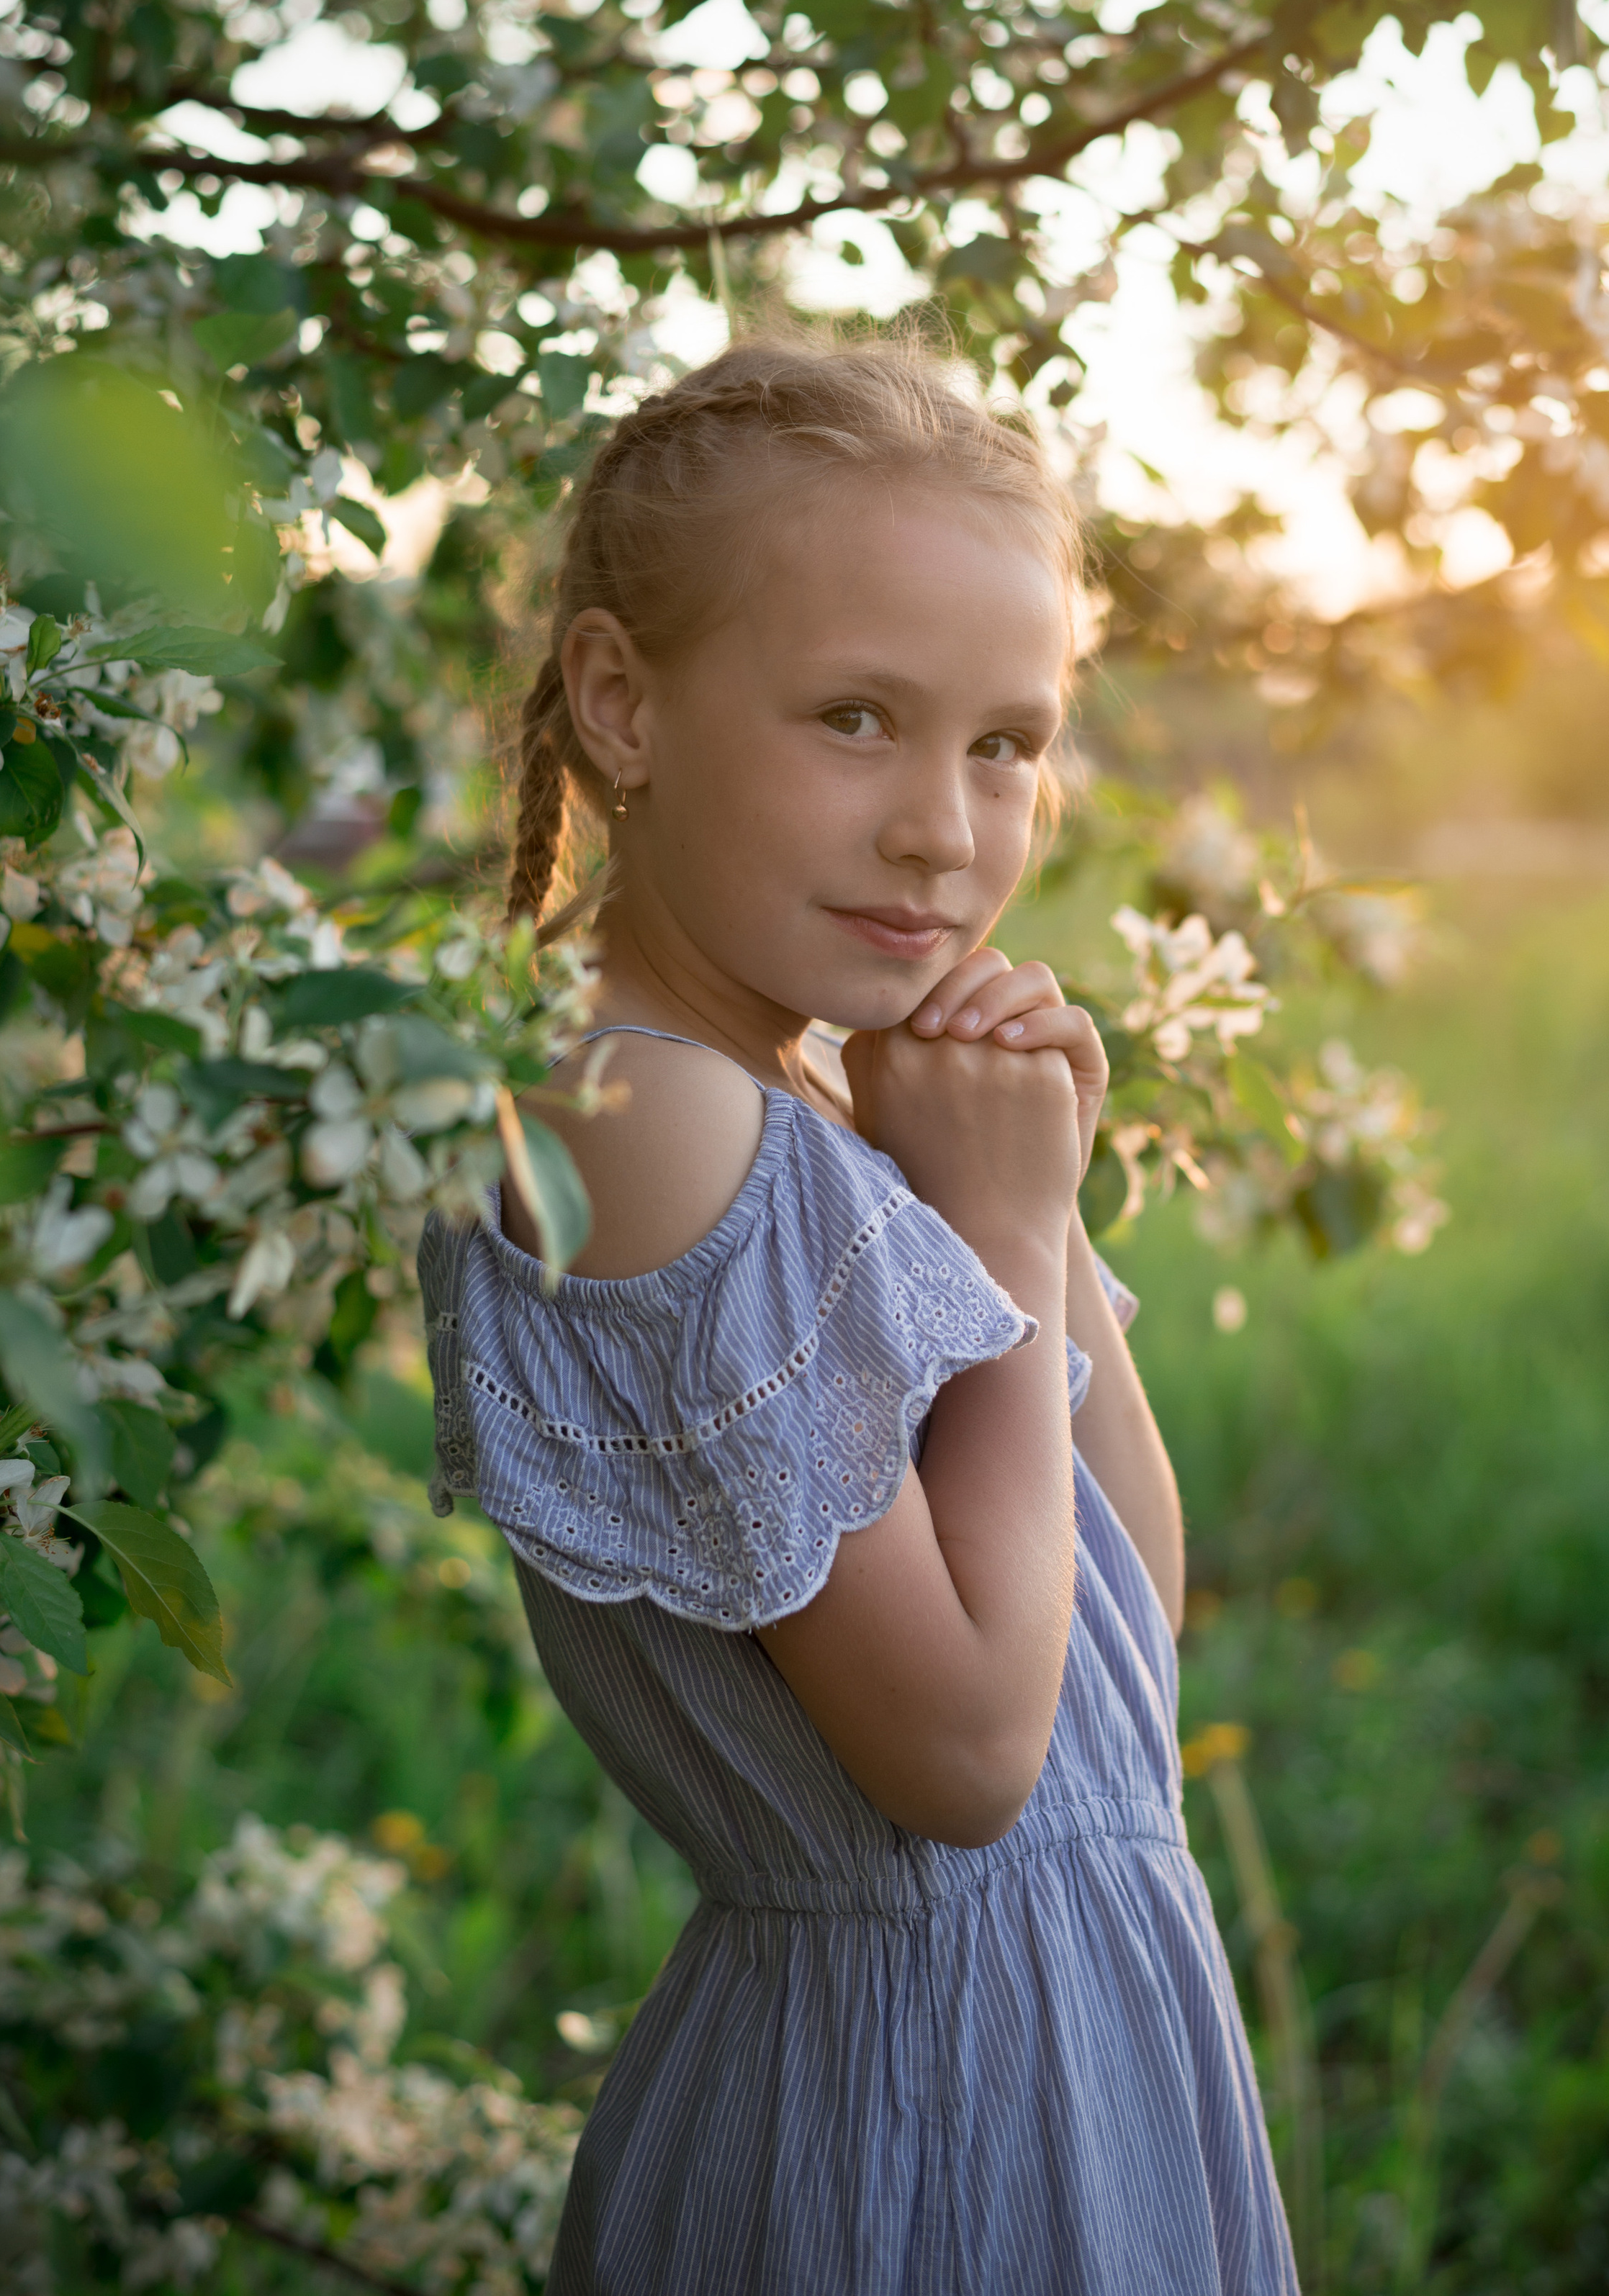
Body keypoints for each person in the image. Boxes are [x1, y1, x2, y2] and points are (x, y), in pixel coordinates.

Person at [419, 335, 1297, 2295]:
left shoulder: (809, 1091)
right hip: (918, 2115)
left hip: (1070, 2044)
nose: (944, 827)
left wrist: (1038, 1212)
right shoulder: (629, 1109)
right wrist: (988, 1228)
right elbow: (974, 1752)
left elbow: (1122, 1634)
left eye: (1005, 741)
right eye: (857, 719)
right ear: (622, 699)